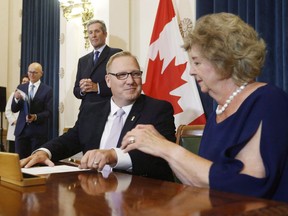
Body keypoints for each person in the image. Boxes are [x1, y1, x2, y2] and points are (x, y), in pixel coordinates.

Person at [121, 13, 288, 202]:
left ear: (224, 60)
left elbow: (249, 187)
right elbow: (198, 183)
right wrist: (160, 145)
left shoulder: (268, 101)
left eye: (197, 62)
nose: (191, 71)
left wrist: (165, 148)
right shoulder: (219, 110)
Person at [21, 51, 176, 182]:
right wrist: (44, 152)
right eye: (122, 75)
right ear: (108, 81)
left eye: (135, 74)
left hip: (142, 197)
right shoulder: (91, 110)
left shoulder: (158, 109)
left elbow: (161, 157)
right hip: (95, 193)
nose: (130, 81)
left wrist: (113, 155)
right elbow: (70, 140)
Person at [73, 19, 123, 108]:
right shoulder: (82, 60)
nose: (93, 35)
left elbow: (121, 83)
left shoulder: (116, 54)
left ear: (105, 34)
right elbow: (76, 90)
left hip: (107, 108)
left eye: (97, 31)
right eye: (90, 32)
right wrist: (82, 90)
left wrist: (98, 87)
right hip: (86, 111)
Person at [12, 62, 53, 159]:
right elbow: (14, 109)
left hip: (37, 133)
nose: (31, 74)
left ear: (41, 73)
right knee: (19, 162)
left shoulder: (47, 90)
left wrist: (35, 117)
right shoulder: (21, 87)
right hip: (21, 131)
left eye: (35, 72)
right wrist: (16, 99)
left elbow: (49, 112)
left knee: (34, 163)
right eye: (30, 72)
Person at [5, 74, 29, 152]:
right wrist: (14, 121)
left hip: (26, 128)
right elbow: (8, 110)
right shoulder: (14, 94)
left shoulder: (30, 95)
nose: (24, 83)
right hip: (15, 126)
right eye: (23, 81)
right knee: (13, 152)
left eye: (26, 82)